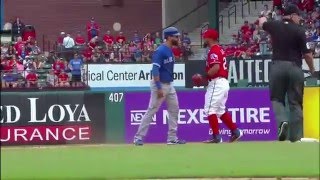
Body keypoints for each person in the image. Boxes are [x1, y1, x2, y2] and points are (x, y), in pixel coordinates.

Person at [259, 4, 315, 142]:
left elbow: (261, 23)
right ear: (292, 15)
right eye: (298, 16)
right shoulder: (299, 30)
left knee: (276, 99)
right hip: (295, 68)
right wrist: (312, 70)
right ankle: (296, 138)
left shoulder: (274, 25)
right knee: (295, 103)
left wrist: (264, 15)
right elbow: (307, 55)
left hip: (277, 66)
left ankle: (282, 121)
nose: (299, 19)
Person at [133, 27, 186, 146]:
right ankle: (138, 137)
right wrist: (159, 87)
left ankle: (172, 138)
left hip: (169, 84)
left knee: (174, 109)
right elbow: (155, 70)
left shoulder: (170, 50)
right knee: (152, 110)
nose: (178, 38)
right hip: (160, 84)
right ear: (168, 37)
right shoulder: (161, 50)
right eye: (176, 36)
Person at [201, 29, 243, 143]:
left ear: (210, 38)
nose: (204, 39)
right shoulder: (219, 49)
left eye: (205, 37)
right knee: (219, 111)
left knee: (209, 109)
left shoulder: (214, 50)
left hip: (217, 82)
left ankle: (216, 137)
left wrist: (203, 77)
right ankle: (235, 131)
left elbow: (216, 68)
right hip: (222, 82)